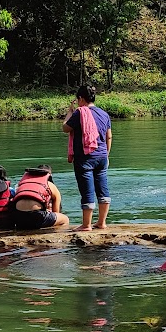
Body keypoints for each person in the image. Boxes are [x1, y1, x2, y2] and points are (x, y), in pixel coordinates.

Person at [62, 83, 113, 231]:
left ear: (81, 98)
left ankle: (86, 225)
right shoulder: (104, 114)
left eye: (78, 100)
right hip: (102, 156)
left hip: (85, 158)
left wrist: (70, 113)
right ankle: (102, 223)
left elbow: (65, 128)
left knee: (87, 190)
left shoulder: (80, 113)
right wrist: (106, 155)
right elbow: (109, 137)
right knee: (103, 189)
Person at [11, 166, 71, 232]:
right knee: (65, 219)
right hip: (36, 216)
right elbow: (56, 212)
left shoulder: (23, 184)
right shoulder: (50, 185)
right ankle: (55, 236)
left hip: (18, 217)